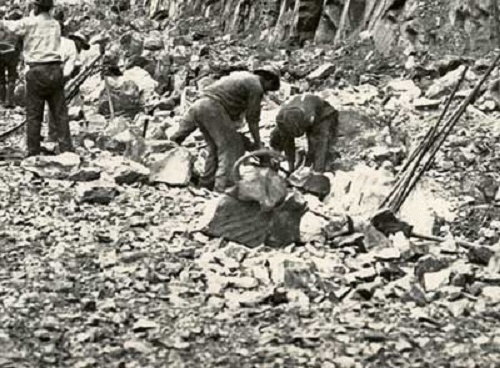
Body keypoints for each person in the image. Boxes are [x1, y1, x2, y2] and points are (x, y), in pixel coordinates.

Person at [170, 66, 281, 192]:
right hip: (213, 108)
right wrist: (258, 144)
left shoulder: (243, 77)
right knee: (231, 147)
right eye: (269, 88)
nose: (266, 92)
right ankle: (223, 189)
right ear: (269, 80)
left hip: (200, 106)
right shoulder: (256, 86)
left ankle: (206, 185)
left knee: (215, 148)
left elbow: (233, 121)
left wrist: (252, 145)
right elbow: (253, 119)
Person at [0, 0, 73, 157]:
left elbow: (10, 27)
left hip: (37, 70)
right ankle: (67, 150)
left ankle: (33, 152)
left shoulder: (30, 23)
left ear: (36, 7)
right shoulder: (55, 24)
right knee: (60, 113)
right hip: (55, 69)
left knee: (34, 114)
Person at [270, 93, 338, 173]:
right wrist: (290, 169)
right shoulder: (281, 119)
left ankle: (317, 167)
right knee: (277, 135)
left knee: (316, 141)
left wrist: (318, 170)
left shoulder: (309, 117)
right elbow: (288, 143)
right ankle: (277, 157)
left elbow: (320, 144)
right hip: (302, 111)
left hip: (324, 114)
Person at [0, 7, 23, 108]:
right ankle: (10, 101)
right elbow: (21, 43)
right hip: (12, 54)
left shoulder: (2, 26)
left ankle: (2, 100)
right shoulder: (17, 29)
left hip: (1, 53)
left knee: (1, 78)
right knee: (12, 77)